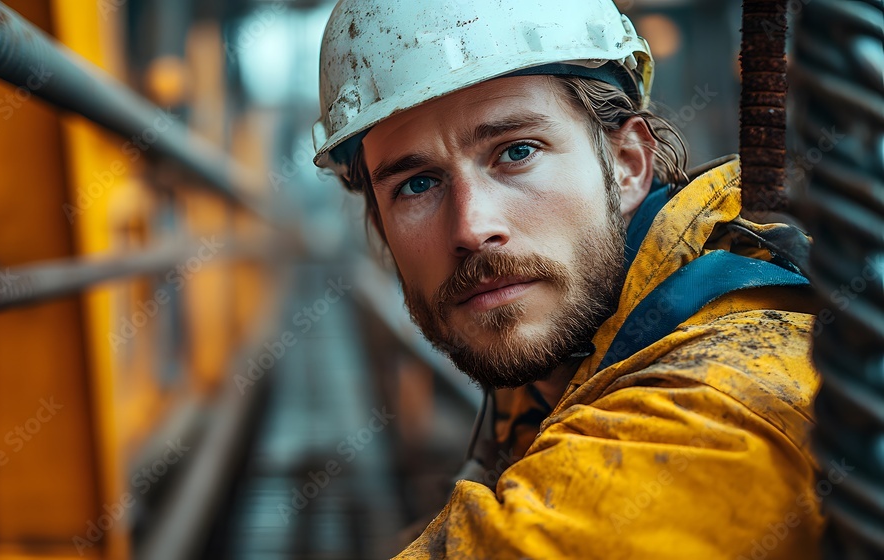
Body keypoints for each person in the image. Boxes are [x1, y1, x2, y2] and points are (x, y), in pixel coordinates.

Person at [312, 0, 825, 557]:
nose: (471, 227)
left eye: (516, 152)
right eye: (416, 184)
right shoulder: (562, 352)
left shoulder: (732, 397)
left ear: (628, 164)